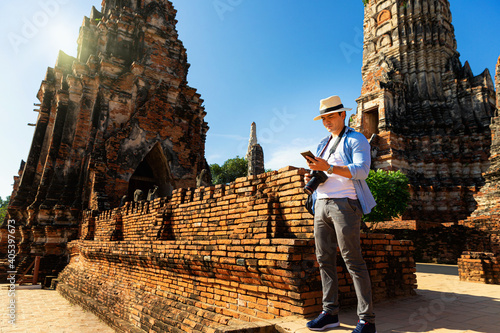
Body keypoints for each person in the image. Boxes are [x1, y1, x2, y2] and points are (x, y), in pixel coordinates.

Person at [304, 95, 377, 333]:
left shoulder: (356, 139)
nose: (326, 121)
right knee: (324, 258)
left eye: (330, 116)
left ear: (342, 114)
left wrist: (329, 167)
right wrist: (312, 176)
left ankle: (366, 320)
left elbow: (362, 170)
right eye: (323, 118)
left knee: (352, 260)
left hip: (345, 203)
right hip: (321, 204)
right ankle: (330, 313)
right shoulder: (321, 145)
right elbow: (322, 172)